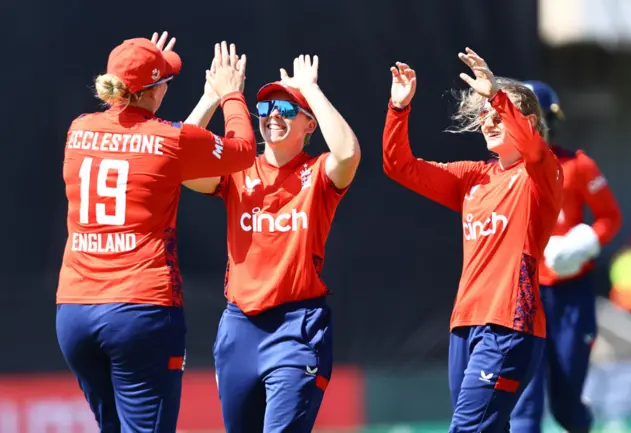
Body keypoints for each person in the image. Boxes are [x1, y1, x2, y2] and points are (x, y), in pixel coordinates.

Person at [55, 33, 256, 433]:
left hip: (74, 312)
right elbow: (245, 150)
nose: (167, 85)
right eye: (163, 79)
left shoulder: (78, 130)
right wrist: (231, 95)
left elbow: (163, 149)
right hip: (140, 311)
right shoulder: (168, 139)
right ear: (152, 90)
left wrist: (153, 67)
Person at [382, 48, 564, 432]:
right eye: (485, 115)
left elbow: (533, 148)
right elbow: (399, 167)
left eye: (499, 115)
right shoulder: (472, 178)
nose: (489, 121)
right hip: (465, 324)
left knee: (467, 429)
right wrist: (398, 110)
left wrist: (496, 92)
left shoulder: (541, 174)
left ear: (528, 121)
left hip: (509, 325)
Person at [183, 54, 361, 432]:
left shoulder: (317, 173)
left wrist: (311, 90)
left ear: (309, 122)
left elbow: (347, 153)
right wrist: (213, 97)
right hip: (239, 329)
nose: (271, 115)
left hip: (297, 328)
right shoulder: (238, 168)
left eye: (284, 107)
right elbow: (179, 163)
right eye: (264, 107)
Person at [510, 80, 622, 433]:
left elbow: (610, 217)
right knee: (525, 404)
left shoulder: (578, 166)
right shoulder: (503, 171)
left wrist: (583, 242)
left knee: (567, 403)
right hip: (522, 295)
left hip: (570, 293)